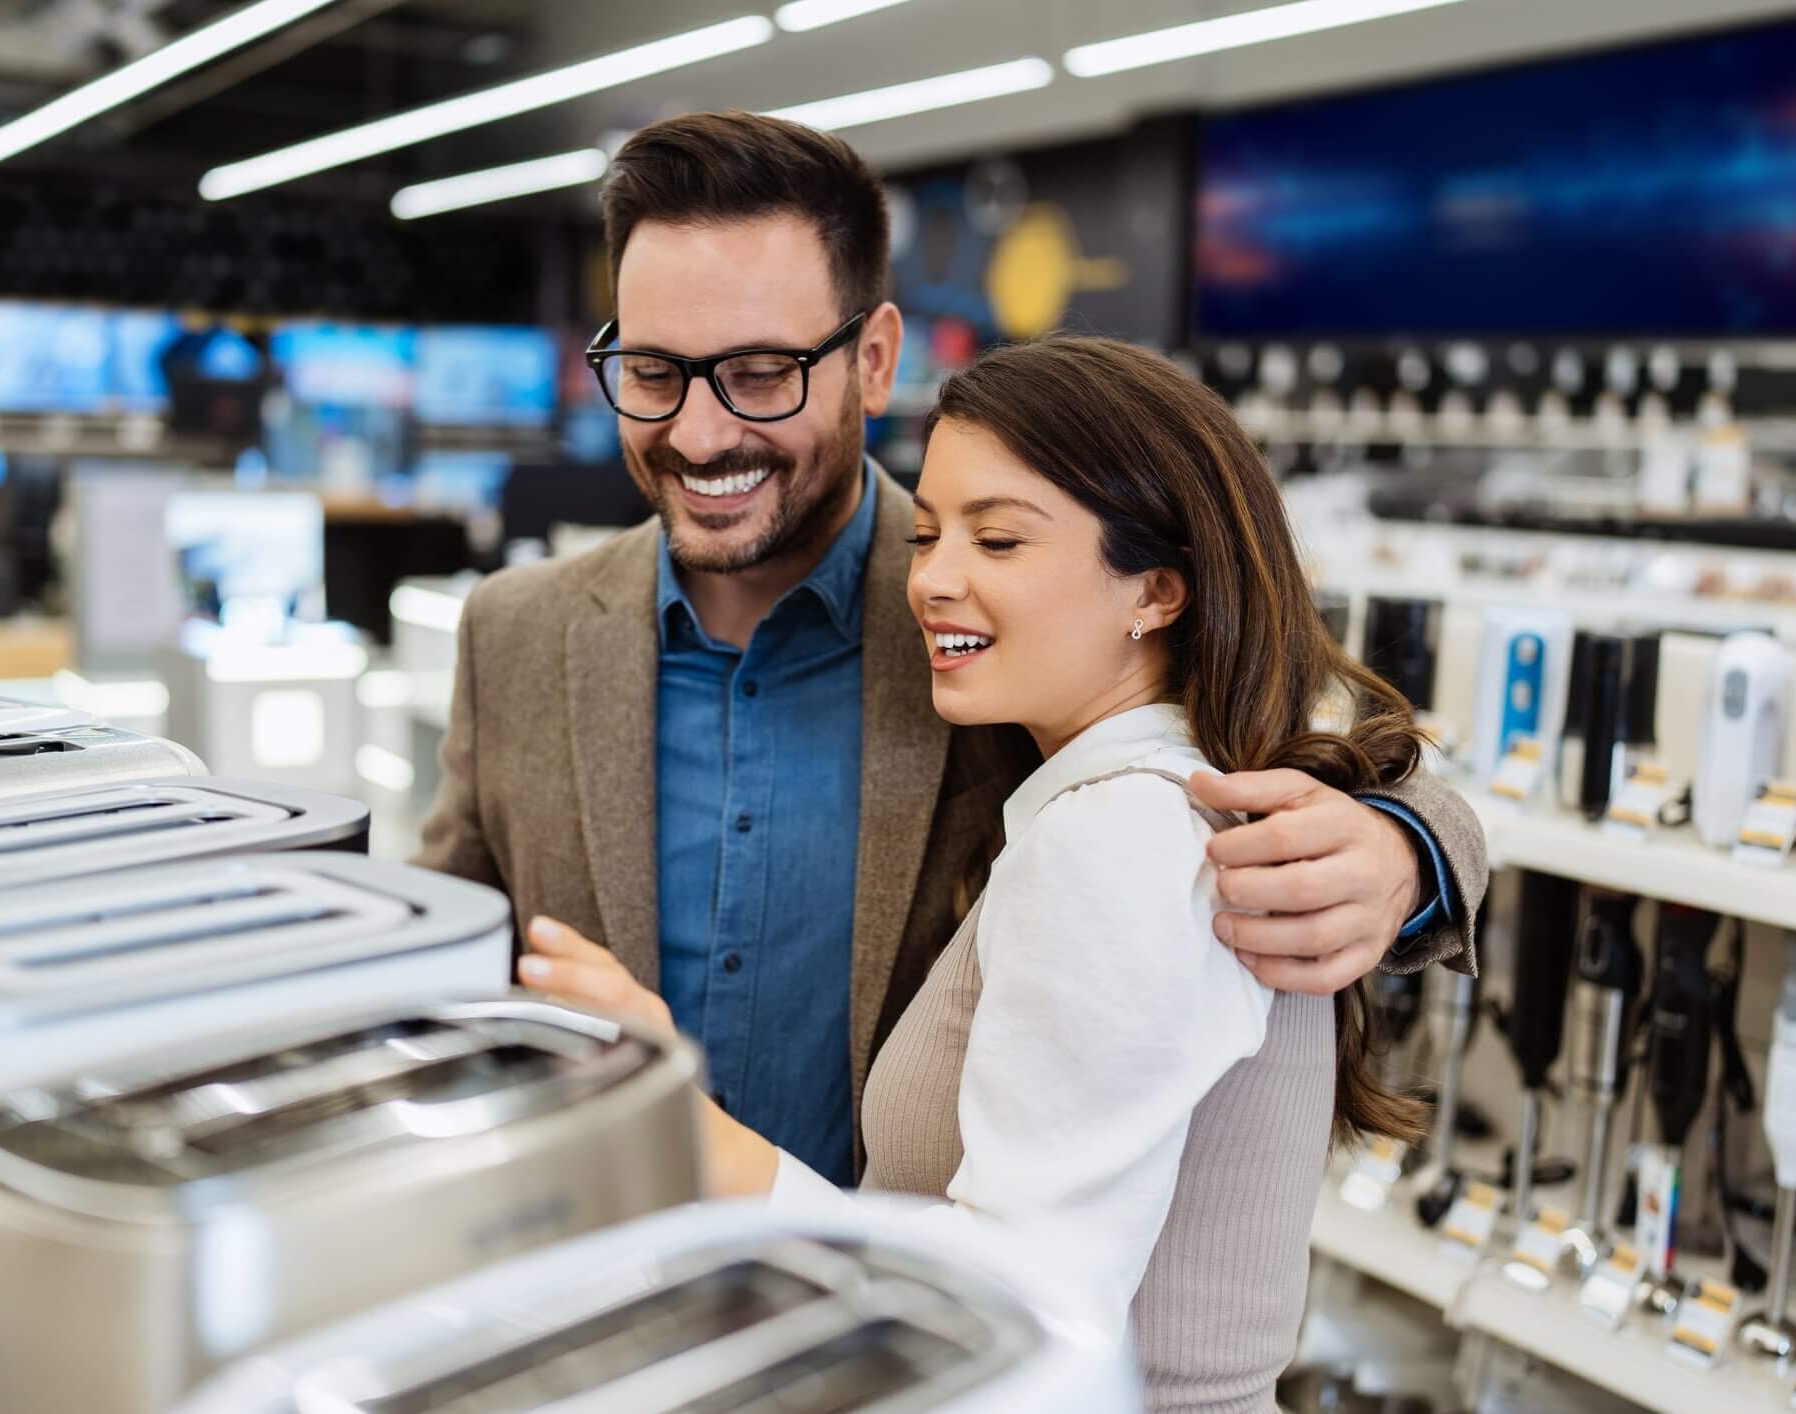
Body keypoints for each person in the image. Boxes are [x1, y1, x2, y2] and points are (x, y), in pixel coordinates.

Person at [415, 111, 1487, 1187]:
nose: (699, 434)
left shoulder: (1001, 621)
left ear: (873, 360)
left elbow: (1359, 762)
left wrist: (1404, 854)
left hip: (911, 1323)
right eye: (653, 372)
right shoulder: (520, 633)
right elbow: (447, 950)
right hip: (595, 1291)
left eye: (758, 372)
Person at [522, 333, 1435, 1412]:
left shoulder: (1123, 838)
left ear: (1157, 589)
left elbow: (1016, 1310)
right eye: (928, 533)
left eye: (998, 540)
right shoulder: (1131, 798)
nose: (935, 579)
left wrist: (681, 1122)